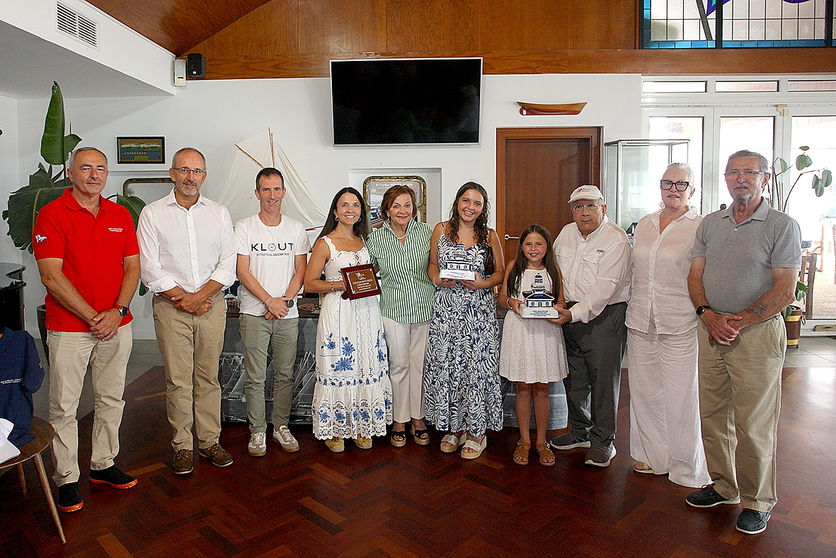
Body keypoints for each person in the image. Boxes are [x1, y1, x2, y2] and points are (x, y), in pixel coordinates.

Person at [686, 150, 801, 535]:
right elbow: (695, 275)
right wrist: (707, 315)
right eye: (733, 172)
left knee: (754, 421)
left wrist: (740, 321)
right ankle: (723, 485)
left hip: (755, 333)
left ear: (764, 178)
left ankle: (757, 501)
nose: (740, 179)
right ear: (725, 178)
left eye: (749, 172)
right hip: (710, 328)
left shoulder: (782, 225)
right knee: (713, 413)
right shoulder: (711, 223)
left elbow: (785, 288)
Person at [33, 147, 140, 512]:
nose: (94, 175)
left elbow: (132, 267)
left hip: (117, 324)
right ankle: (66, 478)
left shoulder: (120, 214)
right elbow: (51, 276)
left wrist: (117, 311)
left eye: (101, 169)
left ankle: (103, 464)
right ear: (71, 173)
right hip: (69, 327)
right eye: (86, 168)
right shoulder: (51, 214)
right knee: (64, 406)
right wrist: (95, 317)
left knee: (111, 398)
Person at [137, 147, 237, 475]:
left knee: (208, 377)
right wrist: (185, 299)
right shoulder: (152, 214)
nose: (190, 177)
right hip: (171, 307)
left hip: (211, 305)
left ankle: (209, 441)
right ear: (172, 173)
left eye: (196, 171)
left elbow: (228, 264)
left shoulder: (219, 213)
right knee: (178, 379)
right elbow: (149, 267)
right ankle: (182, 445)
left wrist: (200, 297)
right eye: (183, 170)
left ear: (204, 176)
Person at [626, 163, 709, 487]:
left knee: (681, 398)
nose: (673, 189)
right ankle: (653, 456)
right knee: (645, 394)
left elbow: (703, 275)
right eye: (667, 183)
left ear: (692, 190)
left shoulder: (700, 226)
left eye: (680, 184)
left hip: (679, 321)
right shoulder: (645, 224)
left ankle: (686, 465)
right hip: (640, 320)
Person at [303, 187, 392, 452]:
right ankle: (336, 429)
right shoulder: (325, 243)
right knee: (339, 367)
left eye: (355, 205)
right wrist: (338, 284)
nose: (350, 210)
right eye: (344, 205)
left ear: (361, 212)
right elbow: (310, 283)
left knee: (365, 365)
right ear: (335, 211)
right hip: (339, 313)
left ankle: (362, 426)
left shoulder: (366, 241)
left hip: (367, 312)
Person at [551, 185, 631, 468]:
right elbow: (555, 271)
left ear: (603, 208)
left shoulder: (616, 239)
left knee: (603, 383)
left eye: (590, 206)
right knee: (574, 377)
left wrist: (571, 314)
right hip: (569, 313)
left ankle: (603, 442)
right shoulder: (566, 233)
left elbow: (604, 291)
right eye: (578, 207)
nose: (584, 212)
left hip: (604, 317)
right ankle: (579, 431)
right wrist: (558, 302)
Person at [423, 182, 505, 460]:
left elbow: (500, 272)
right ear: (457, 202)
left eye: (477, 203)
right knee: (450, 366)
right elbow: (432, 265)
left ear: (483, 208)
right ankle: (455, 427)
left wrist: (483, 283)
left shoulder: (489, 235)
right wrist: (437, 280)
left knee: (475, 369)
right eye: (466, 200)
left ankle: (476, 432)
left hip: (478, 313)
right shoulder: (441, 229)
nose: (470, 207)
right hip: (447, 310)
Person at [235, 167, 310, 457]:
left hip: (286, 314)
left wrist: (283, 303)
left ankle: (280, 426)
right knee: (255, 377)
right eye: (266, 189)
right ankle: (257, 431)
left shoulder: (295, 227)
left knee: (284, 375)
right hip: (254, 313)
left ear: (283, 192)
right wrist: (269, 301)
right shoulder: (244, 227)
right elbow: (242, 271)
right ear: (257, 193)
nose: (272, 195)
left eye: (276, 189)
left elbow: (301, 269)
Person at [367, 185, 434, 447]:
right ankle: (399, 419)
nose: (402, 211)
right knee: (399, 365)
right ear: (386, 210)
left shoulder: (427, 233)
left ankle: (418, 417)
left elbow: (437, 266)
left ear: (414, 209)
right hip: (393, 310)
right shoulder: (376, 239)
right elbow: (366, 273)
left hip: (425, 308)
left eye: (407, 205)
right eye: (396, 206)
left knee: (419, 365)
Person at [498, 224, 568, 467]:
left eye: (538, 243)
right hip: (520, 330)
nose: (533, 248)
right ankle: (524, 440)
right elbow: (502, 298)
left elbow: (561, 302)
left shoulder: (553, 270)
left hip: (545, 332)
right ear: (521, 247)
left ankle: (542, 441)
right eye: (528, 244)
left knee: (542, 388)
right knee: (523, 387)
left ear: (547, 247)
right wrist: (512, 302)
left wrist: (555, 309)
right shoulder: (513, 267)